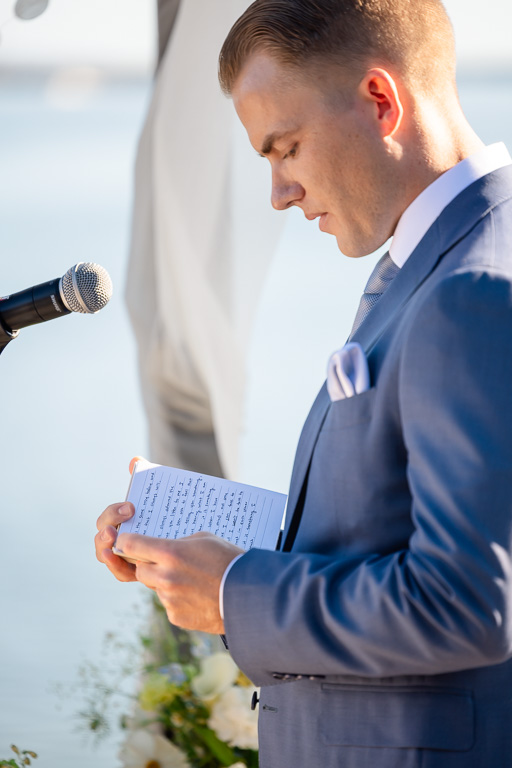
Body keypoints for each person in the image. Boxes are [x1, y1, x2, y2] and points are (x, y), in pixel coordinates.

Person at [96, 0, 512, 764]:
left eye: (285, 148)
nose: (280, 193)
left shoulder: (472, 291)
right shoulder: (437, 261)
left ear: (381, 101)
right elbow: (390, 527)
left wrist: (235, 591)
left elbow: (468, 602)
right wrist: (204, 552)